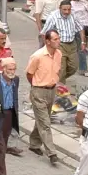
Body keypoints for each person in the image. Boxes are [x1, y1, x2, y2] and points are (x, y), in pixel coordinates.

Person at [26, 30, 62, 166]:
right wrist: (36, 86)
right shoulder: (37, 56)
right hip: (39, 91)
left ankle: (34, 143)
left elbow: (57, 70)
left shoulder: (59, 54)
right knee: (45, 124)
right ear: (47, 41)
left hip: (51, 90)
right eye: (55, 39)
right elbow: (29, 74)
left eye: (59, 38)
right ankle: (52, 153)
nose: (58, 41)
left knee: (42, 119)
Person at [40, 1, 83, 82]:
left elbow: (80, 28)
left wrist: (83, 42)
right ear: (60, 8)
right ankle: (60, 88)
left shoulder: (73, 15)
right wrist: (48, 46)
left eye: (69, 9)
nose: (67, 12)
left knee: (74, 67)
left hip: (72, 45)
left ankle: (55, 78)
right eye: (64, 10)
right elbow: (44, 32)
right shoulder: (53, 16)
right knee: (61, 68)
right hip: (60, 45)